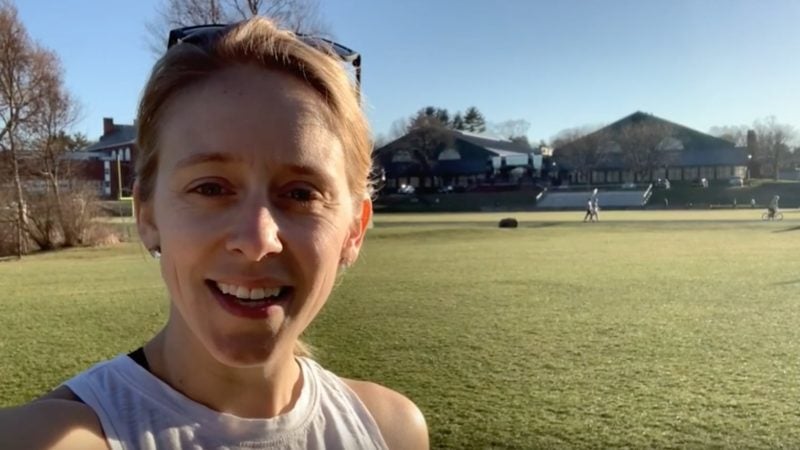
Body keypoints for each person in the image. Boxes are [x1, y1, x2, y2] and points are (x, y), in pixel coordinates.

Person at [0, 18, 428, 450]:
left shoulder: (391, 431)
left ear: (354, 230)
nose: (258, 240)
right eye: (210, 188)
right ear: (148, 216)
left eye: (301, 193)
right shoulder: (49, 438)